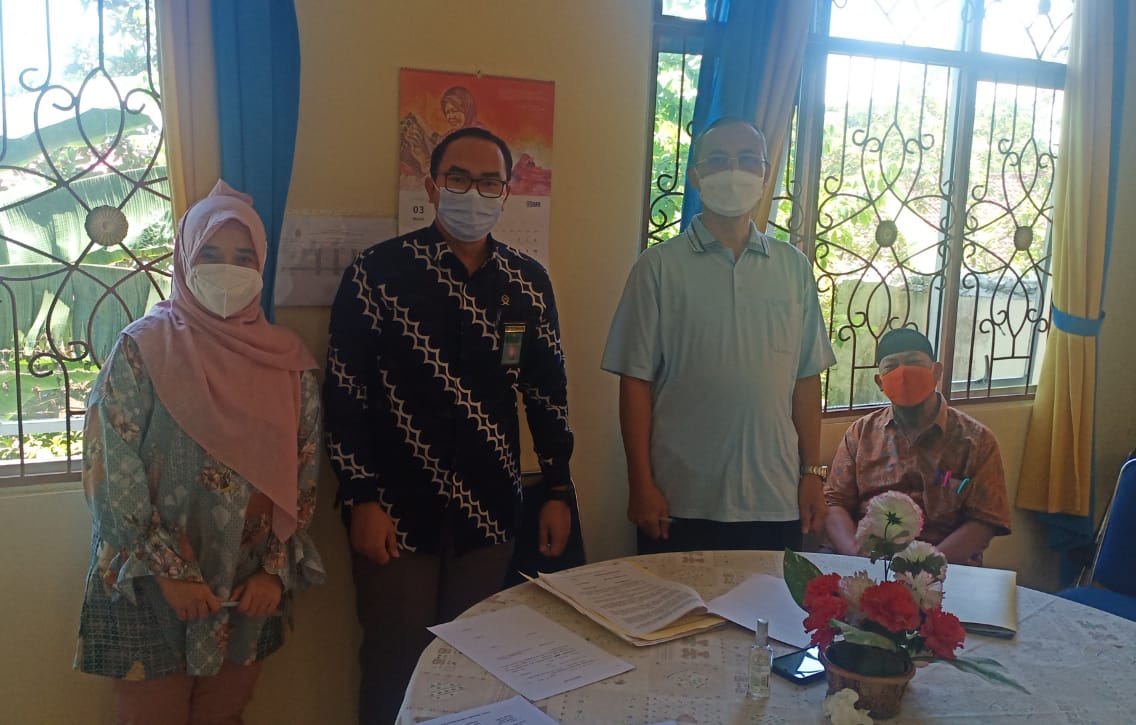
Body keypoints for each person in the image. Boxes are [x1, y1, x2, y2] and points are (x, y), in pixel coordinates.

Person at [325, 127, 575, 725]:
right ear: (432, 185)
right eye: (458, 177)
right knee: (397, 665)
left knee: (478, 668)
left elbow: (546, 394)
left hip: (490, 513)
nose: (473, 192)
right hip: (395, 513)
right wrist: (360, 497)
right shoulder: (377, 273)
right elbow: (345, 392)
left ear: (506, 191)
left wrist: (559, 489)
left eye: (489, 181)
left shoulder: (527, 283)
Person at [74, 181, 325, 724]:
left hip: (245, 581)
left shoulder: (288, 362)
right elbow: (108, 465)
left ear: (262, 265)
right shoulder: (142, 348)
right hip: (149, 579)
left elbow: (304, 471)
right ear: (184, 259)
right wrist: (169, 570)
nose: (226, 269)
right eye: (210, 253)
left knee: (224, 715)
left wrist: (273, 572)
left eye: (243, 257)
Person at [602, 116, 835, 555]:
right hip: (680, 500)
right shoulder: (658, 267)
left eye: (747, 159)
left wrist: (812, 474)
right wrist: (640, 483)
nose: (733, 171)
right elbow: (635, 381)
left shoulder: (793, 268)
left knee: (769, 603)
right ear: (695, 175)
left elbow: (806, 380)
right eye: (718, 160)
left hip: (775, 499)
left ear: (765, 173)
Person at [823, 327, 1012, 565]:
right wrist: (856, 554)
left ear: (936, 371)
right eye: (891, 367)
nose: (903, 374)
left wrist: (923, 564)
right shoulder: (861, 434)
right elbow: (834, 503)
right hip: (867, 560)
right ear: (880, 382)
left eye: (914, 363)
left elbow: (985, 521)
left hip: (944, 565)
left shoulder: (976, 441)